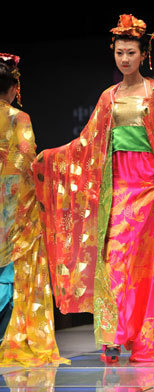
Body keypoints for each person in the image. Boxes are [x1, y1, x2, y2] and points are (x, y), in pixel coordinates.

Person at [33, 14, 154, 362]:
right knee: (114, 259)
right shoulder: (109, 96)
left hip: (150, 185)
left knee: (146, 264)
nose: (124, 59)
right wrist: (51, 158)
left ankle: (142, 336)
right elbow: (88, 141)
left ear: (143, 54)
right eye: (119, 52)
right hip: (117, 185)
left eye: (131, 53)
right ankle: (112, 333)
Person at [0, 53, 68, 366]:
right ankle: (13, 335)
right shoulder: (19, 118)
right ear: (15, 87)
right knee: (17, 271)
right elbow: (28, 160)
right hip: (15, 203)